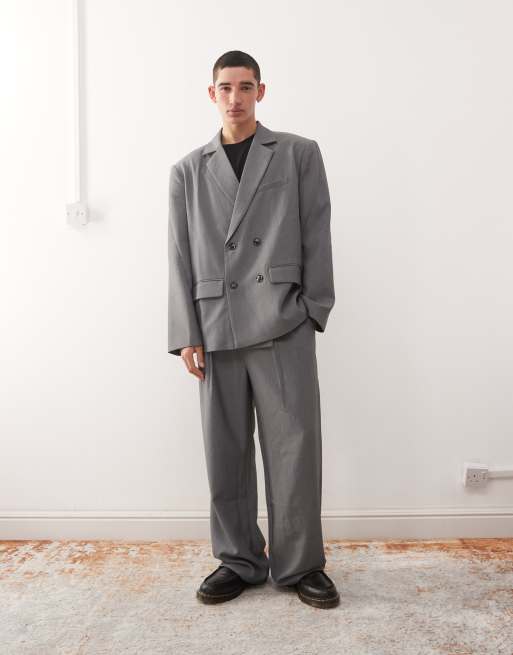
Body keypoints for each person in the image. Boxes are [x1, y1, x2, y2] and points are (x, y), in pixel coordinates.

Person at [168, 50, 338, 609]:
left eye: (245, 87)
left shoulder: (297, 153)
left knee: (295, 450)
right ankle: (238, 560)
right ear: (211, 93)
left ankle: (301, 564)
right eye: (225, 87)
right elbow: (179, 254)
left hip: (283, 320)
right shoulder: (188, 170)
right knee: (225, 452)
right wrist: (185, 331)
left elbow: (316, 230)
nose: (235, 97)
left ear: (260, 91)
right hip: (215, 324)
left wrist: (313, 308)